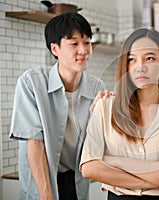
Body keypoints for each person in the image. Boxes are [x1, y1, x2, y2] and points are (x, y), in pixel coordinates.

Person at [80, 28, 159, 199]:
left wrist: (113, 161)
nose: (140, 67)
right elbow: (89, 168)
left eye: (149, 58)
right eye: (132, 60)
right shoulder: (105, 106)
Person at [10, 12, 107, 200]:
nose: (84, 50)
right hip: (42, 180)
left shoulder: (97, 88)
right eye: (74, 44)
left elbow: (100, 141)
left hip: (76, 179)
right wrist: (46, 194)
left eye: (87, 42)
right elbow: (35, 142)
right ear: (55, 49)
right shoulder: (31, 83)